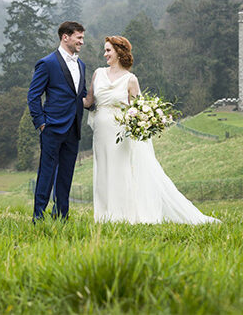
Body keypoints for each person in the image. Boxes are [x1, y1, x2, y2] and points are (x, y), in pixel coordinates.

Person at [84, 36, 219, 224]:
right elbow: (88, 101)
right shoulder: (98, 73)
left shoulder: (130, 79)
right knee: (103, 169)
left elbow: (139, 109)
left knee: (120, 170)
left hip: (120, 132)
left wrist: (146, 121)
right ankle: (104, 215)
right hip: (100, 131)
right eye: (105, 50)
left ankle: (122, 215)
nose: (104, 54)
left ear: (119, 52)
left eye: (108, 50)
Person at [27, 21, 87, 221]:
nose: (82, 42)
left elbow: (82, 95)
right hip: (52, 127)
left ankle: (61, 215)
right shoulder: (47, 63)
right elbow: (33, 96)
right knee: (47, 173)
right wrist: (41, 123)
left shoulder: (81, 65)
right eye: (79, 37)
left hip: (73, 128)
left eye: (82, 38)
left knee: (66, 175)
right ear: (65, 37)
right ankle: (38, 216)